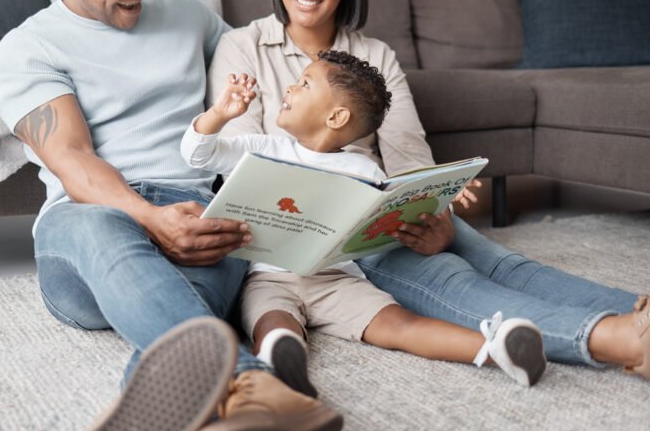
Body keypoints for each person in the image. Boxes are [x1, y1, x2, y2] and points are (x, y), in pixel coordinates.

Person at [207, 0, 650, 397]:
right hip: (311, 241)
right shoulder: (242, 47)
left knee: (504, 262)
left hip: (377, 216)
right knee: (452, 281)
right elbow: (251, 171)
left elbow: (409, 159)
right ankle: (627, 341)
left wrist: (431, 210)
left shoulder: (375, 56)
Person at [0, 0, 343, 431]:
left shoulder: (187, 12)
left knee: (189, 315)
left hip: (196, 212)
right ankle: (257, 387)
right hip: (89, 226)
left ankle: (204, 424)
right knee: (101, 230)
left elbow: (258, 71)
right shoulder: (28, 48)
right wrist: (150, 218)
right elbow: (73, 160)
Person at [183, 53, 547, 392]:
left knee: (399, 325)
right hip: (269, 276)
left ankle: (495, 347)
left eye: (305, 83)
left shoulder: (364, 170)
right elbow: (197, 155)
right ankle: (281, 357)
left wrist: (438, 198)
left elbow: (385, 223)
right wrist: (219, 114)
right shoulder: (263, 150)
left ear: (336, 117)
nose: (290, 88)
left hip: (338, 278)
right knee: (273, 323)